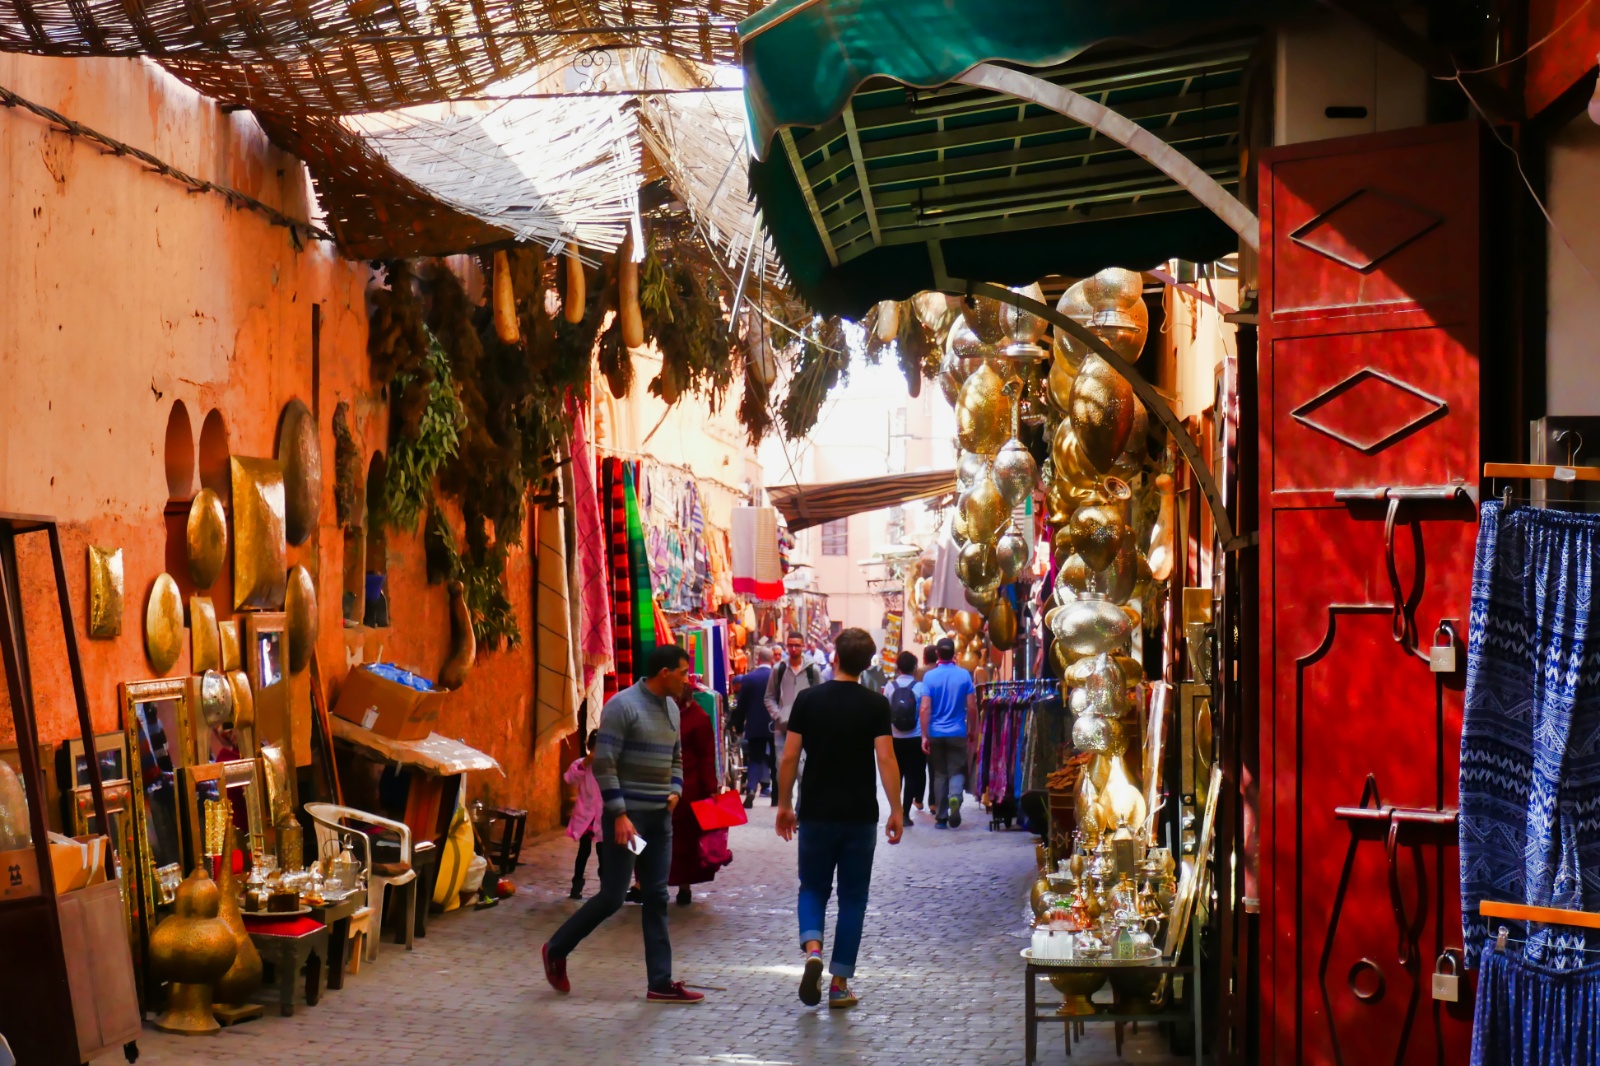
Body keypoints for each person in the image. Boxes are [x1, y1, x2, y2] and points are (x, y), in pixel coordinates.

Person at [542, 644, 704, 1004]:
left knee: (657, 896)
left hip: (659, 822)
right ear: (664, 673)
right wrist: (619, 814)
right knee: (614, 896)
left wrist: (675, 789)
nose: (686, 679)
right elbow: (605, 764)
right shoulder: (623, 706)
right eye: (682, 672)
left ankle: (660, 982)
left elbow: (677, 758)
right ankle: (556, 948)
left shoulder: (673, 711)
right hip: (630, 825)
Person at [776, 627, 902, 1010]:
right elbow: (886, 759)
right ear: (867, 665)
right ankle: (839, 984)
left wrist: (784, 803)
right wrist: (897, 809)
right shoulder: (876, 705)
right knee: (853, 900)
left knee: (811, 888)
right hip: (860, 814)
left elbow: (789, 756)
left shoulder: (808, 700)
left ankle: (813, 948)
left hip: (815, 811)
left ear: (834, 656)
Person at [669, 686, 733, 905]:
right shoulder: (686, 716)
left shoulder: (698, 718)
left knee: (683, 840)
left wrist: (711, 789)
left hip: (689, 788)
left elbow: (706, 756)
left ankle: (682, 886)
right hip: (667, 784)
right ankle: (648, 882)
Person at [921, 636, 977, 829]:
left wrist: (924, 735)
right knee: (957, 770)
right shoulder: (964, 676)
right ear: (954, 654)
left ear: (937, 654)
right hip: (957, 731)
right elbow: (971, 706)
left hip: (936, 732)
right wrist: (972, 730)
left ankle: (941, 816)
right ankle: (955, 797)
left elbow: (925, 708)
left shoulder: (929, 677)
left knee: (939, 773)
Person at [765, 632, 823, 805]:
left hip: (807, 730)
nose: (794, 649)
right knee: (782, 770)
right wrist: (779, 715)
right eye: (790, 645)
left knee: (803, 771)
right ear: (786, 646)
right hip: (783, 729)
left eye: (797, 645)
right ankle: (786, 806)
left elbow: (820, 697)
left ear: (803, 646)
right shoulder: (779, 669)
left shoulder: (813, 670)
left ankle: (800, 809)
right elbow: (769, 697)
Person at [884, 651, 927, 826]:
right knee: (911, 776)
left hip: (895, 737)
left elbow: (886, 712)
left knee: (896, 775)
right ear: (914, 668)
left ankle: (896, 810)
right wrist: (925, 735)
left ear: (898, 667)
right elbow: (922, 711)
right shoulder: (920, 687)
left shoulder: (889, 687)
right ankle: (905, 813)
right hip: (914, 737)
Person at [564, 730, 604, 899]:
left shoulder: (610, 766)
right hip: (587, 816)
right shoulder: (581, 764)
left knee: (604, 854)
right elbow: (570, 779)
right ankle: (577, 884)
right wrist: (585, 763)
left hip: (603, 816)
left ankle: (605, 887)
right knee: (584, 851)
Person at [735, 647, 776, 808]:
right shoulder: (776, 676)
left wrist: (739, 726)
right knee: (775, 760)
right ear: (772, 660)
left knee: (755, 758)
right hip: (775, 725)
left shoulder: (749, 678)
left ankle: (751, 788)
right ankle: (776, 796)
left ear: (758, 659)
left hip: (755, 724)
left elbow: (742, 705)